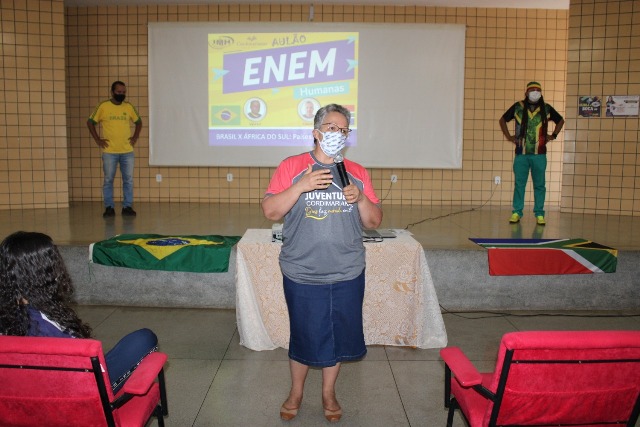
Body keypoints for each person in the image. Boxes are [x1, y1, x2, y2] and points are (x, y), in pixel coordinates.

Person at [262, 104, 382, 423]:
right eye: (331, 128)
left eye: (343, 130)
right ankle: (296, 393)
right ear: (316, 132)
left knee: (337, 336)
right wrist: (300, 186)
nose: (337, 134)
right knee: (303, 334)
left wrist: (361, 198)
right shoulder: (291, 166)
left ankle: (329, 393)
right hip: (302, 271)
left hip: (347, 271)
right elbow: (271, 211)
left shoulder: (356, 171)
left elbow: (373, 221)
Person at [0, 231, 158, 394]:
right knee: (144, 338)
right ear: (41, 274)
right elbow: (83, 368)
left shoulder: (10, 316)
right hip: (78, 393)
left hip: (27, 393)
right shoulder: (45, 327)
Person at [499, 81, 564, 225]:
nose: (535, 92)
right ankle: (517, 212)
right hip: (521, 154)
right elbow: (502, 120)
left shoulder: (546, 108)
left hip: (539, 154)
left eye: (538, 90)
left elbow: (560, 120)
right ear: (526, 92)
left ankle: (539, 214)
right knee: (519, 184)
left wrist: (553, 135)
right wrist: (509, 136)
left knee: (539, 185)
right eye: (532, 90)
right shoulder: (518, 107)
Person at [87, 81, 142, 218]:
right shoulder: (103, 106)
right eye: (119, 92)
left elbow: (139, 122)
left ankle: (127, 206)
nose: (121, 94)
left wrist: (135, 137)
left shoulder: (128, 106)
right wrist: (98, 139)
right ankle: (109, 207)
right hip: (109, 152)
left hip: (127, 151)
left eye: (124, 92)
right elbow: (90, 122)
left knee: (128, 180)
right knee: (108, 180)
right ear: (112, 92)